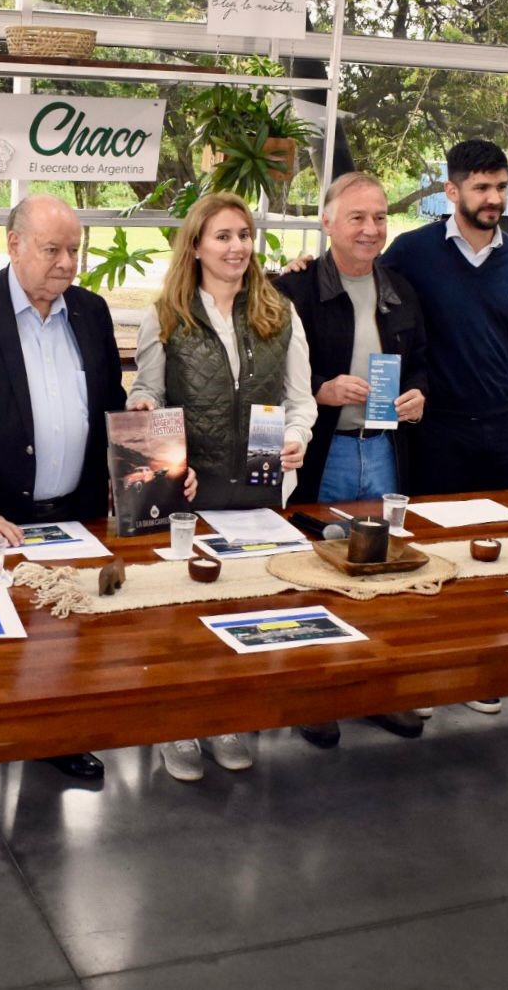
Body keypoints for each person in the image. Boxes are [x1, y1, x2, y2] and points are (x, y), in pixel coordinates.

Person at [0, 194, 135, 794]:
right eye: (52, 250)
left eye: (74, 250)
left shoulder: (90, 312)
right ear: (13, 245)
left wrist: (137, 427)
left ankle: (57, 739)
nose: (67, 263)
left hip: (72, 514)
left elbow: (107, 404)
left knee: (62, 638)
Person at [125, 191, 316, 780]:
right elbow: (149, 395)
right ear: (197, 245)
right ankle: (178, 728)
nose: (236, 247)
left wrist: (298, 438)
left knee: (246, 608)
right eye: (223, 236)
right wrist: (142, 407)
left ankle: (230, 717)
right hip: (192, 492)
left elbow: (299, 400)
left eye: (243, 235)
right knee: (183, 614)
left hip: (261, 488)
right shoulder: (165, 316)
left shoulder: (279, 312)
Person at [383, 138, 508, 713]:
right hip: (435, 432)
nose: (493, 198)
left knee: (496, 555)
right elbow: (355, 282)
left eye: (501, 186)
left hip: (500, 431)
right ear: (452, 192)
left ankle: (489, 669)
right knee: (428, 556)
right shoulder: (411, 251)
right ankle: (429, 672)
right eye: (481, 187)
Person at [275, 173, 429, 748]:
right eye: (358, 217)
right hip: (326, 456)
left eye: (380, 217)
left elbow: (422, 363)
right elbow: (273, 376)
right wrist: (320, 389)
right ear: (327, 222)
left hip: (386, 454)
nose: (371, 229)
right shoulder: (292, 291)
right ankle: (314, 696)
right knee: (316, 577)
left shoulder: (402, 289)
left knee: (386, 576)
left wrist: (419, 394)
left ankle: (380, 692)